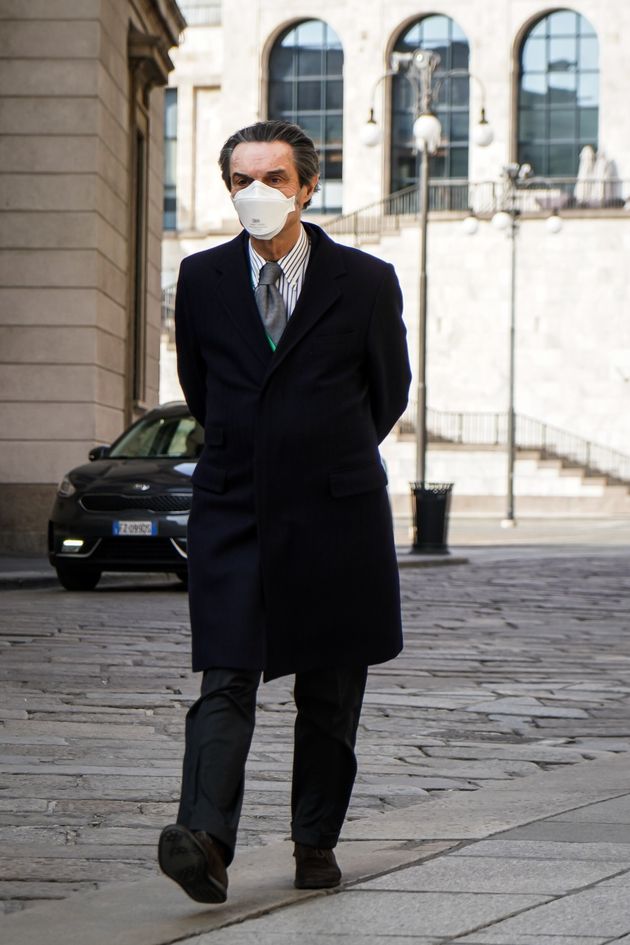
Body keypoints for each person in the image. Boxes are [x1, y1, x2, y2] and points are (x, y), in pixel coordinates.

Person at [158, 120, 411, 904]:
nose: (256, 193)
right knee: (225, 673)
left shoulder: (366, 281)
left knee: (330, 688)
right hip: (234, 508)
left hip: (336, 515)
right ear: (227, 190)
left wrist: (319, 454)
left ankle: (315, 839)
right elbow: (202, 388)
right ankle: (203, 838)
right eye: (240, 180)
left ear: (306, 186)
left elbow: (388, 391)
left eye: (273, 178)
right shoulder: (200, 280)